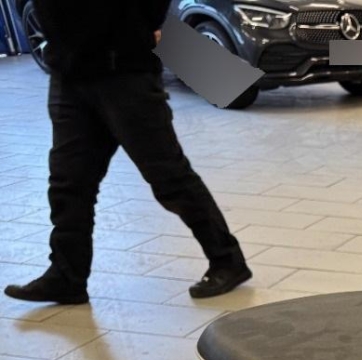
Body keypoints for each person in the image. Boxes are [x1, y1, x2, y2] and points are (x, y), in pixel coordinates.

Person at [3, 0, 251, 305]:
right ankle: (66, 277)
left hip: (124, 72)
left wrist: (138, 29)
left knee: (169, 176)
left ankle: (227, 260)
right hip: (69, 73)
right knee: (68, 182)